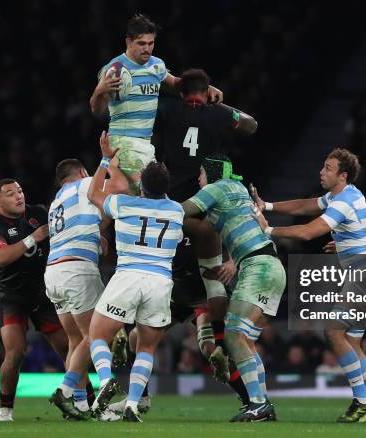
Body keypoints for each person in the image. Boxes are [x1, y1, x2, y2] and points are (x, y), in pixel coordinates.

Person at [252, 148, 366, 423]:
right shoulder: (341, 196)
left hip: (363, 275)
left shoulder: (345, 200)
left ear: (343, 175)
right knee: (352, 342)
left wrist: (267, 229)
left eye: (328, 168)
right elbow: (307, 205)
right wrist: (268, 206)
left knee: (333, 332)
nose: (321, 172)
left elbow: (307, 231)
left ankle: (363, 401)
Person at [156, 68, 258, 383]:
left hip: (173, 202)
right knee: (212, 273)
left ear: (182, 91)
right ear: (207, 90)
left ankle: (130, 330)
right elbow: (251, 125)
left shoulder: (170, 107)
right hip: (206, 197)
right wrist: (225, 107)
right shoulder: (217, 113)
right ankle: (216, 334)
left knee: (163, 267)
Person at [86, 131, 184, 422]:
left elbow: (93, 194)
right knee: (147, 347)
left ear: (141, 182)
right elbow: (159, 193)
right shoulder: (177, 211)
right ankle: (131, 404)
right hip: (160, 282)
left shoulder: (124, 205)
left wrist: (106, 159)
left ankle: (105, 381)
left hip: (129, 276)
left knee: (97, 335)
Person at [182, 153, 285, 422]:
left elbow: (182, 211)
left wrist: (151, 204)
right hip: (270, 265)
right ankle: (261, 404)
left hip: (257, 268)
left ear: (213, 173)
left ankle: (259, 403)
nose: (199, 178)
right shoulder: (237, 189)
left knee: (234, 337)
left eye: (202, 173)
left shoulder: (216, 188)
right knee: (245, 340)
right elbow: (219, 225)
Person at [89, 14, 223, 193]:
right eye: (141, 43)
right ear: (128, 42)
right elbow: (97, 111)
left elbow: (176, 84)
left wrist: (205, 88)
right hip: (123, 142)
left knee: (141, 197)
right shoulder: (115, 70)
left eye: (151, 43)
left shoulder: (156, 65)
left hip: (146, 144)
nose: (147, 49)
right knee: (151, 195)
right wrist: (99, 91)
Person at [45, 158, 127, 420]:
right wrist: (109, 162)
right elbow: (120, 188)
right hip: (77, 271)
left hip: (54, 273)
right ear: (82, 172)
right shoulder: (85, 185)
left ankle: (79, 404)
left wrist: (98, 233)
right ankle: (82, 390)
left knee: (76, 341)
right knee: (98, 334)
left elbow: (91, 219)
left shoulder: (57, 200)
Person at [0, 179, 68, 421]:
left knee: (67, 347)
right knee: (16, 351)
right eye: (10, 194)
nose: (19, 196)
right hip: (13, 296)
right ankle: (5, 409)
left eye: (20, 190)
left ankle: (88, 402)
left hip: (44, 292)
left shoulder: (39, 212)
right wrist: (34, 238)